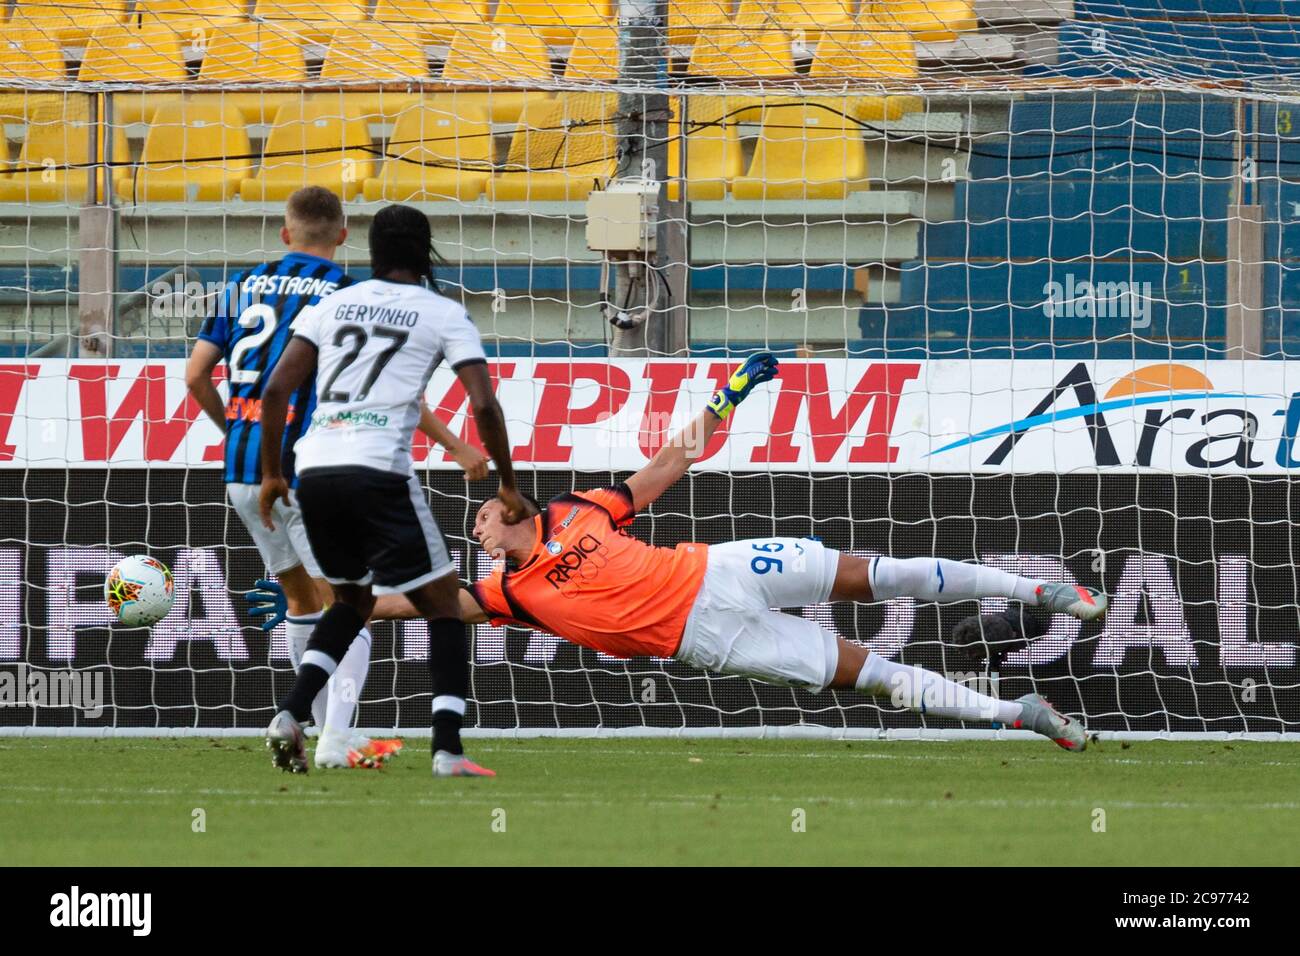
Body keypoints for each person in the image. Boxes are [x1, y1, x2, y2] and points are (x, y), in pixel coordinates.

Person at [460, 353, 1108, 750]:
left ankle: (1042, 592)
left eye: (481, 517)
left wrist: (728, 395)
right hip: (710, 637)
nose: (479, 532)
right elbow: (417, 603)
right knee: (876, 677)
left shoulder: (580, 508)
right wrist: (357, 601)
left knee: (877, 574)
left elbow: (666, 464)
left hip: (719, 567)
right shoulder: (507, 592)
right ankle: (1022, 715)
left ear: (507, 506)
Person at [187, 187, 489, 769]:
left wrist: (237, 433)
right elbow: (382, 387)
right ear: (344, 236)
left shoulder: (238, 286)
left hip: (247, 465)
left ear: (284, 232)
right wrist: (453, 442)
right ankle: (333, 737)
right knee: (349, 600)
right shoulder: (346, 293)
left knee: (303, 600)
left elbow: (196, 374)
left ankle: (306, 725)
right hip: (309, 462)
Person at [257, 203, 526, 777]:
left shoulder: (330, 305)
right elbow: (482, 402)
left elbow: (277, 389)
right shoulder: (442, 311)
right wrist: (506, 482)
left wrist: (273, 473)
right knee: (446, 605)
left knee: (351, 600)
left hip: (315, 469)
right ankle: (448, 750)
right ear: (425, 252)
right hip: (378, 470)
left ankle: (291, 713)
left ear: (372, 252)